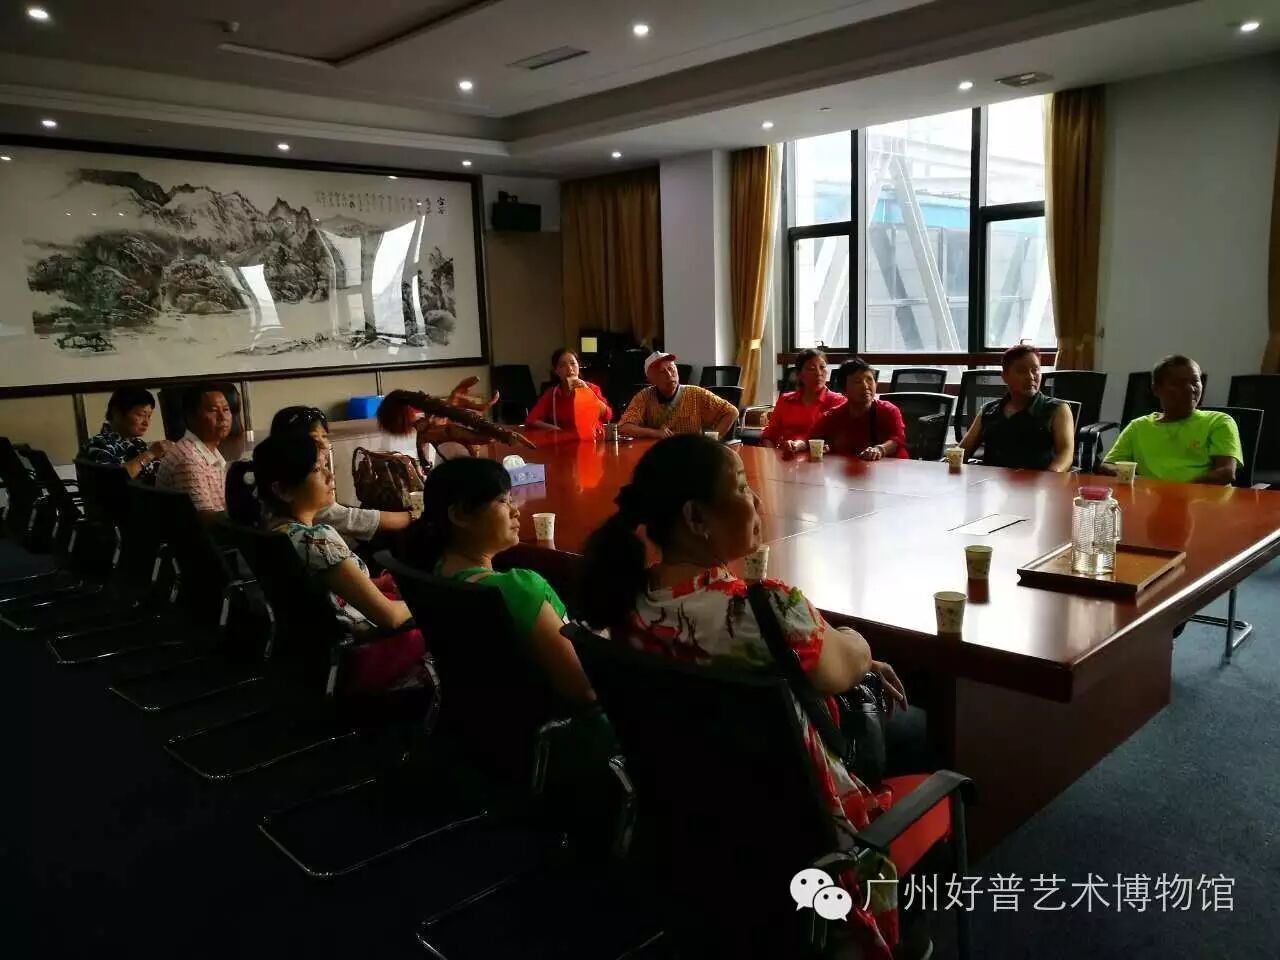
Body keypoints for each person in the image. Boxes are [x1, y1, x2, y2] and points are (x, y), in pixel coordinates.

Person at [579, 434, 910, 958]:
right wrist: (860, 645)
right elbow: (842, 666)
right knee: (912, 728)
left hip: (697, 814)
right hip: (803, 828)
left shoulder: (626, 599)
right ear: (696, 517)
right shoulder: (765, 610)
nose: (756, 499)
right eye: (740, 486)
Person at [226, 433, 426, 694]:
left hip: (313, 658)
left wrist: (376, 583)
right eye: (317, 470)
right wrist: (433, 600)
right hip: (364, 653)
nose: (330, 476)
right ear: (283, 490)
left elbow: (326, 589)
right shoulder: (317, 540)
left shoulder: (275, 533)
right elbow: (390, 618)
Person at [403, 457, 593, 704]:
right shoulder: (520, 589)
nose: (516, 510)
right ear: (459, 515)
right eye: (503, 501)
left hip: (480, 712)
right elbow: (582, 691)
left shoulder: (435, 573)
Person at [270, 405, 411, 542]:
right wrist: (413, 516)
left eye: (324, 436)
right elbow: (347, 518)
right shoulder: (313, 536)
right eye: (313, 439)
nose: (324, 445)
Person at [1099, 355, 1242, 485]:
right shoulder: (1138, 426)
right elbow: (1108, 465)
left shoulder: (1219, 421)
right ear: (1156, 389)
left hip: (1204, 501)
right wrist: (1134, 479)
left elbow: (1225, 472)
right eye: (1179, 383)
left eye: (1195, 381)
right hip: (1151, 499)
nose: (1190, 389)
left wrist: (1178, 491)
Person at [957, 344, 1075, 472]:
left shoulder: (1058, 409)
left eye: (1035, 370)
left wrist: (1049, 477)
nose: (1031, 376)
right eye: (1022, 371)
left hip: (1037, 482)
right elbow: (962, 451)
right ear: (1005, 376)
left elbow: (1065, 456)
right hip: (992, 481)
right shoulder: (989, 410)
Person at [792, 358, 908, 460]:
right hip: (852, 470)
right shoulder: (834, 415)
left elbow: (898, 439)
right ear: (844, 388)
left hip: (893, 468)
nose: (865, 386)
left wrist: (880, 449)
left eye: (869, 379)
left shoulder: (888, 410)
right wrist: (796, 445)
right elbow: (810, 439)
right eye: (857, 381)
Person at [618, 352, 739, 440]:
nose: (669, 375)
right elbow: (624, 427)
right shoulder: (644, 396)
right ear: (650, 380)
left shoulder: (696, 393)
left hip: (690, 453)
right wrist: (655, 433)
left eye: (671, 369)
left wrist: (712, 440)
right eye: (662, 372)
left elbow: (731, 412)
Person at [156, 384, 233, 516]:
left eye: (226, 409)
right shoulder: (189, 459)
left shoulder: (209, 452)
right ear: (191, 416)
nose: (222, 417)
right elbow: (205, 520)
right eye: (213, 410)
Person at [80, 385, 171, 481]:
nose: (146, 422)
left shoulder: (138, 444)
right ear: (117, 413)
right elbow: (112, 480)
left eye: (149, 416)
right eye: (140, 415)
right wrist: (150, 454)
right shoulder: (97, 444)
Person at [759, 347, 846, 447]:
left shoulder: (837, 401)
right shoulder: (786, 400)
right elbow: (770, 435)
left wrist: (803, 445)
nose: (818, 373)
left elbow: (839, 440)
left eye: (822, 367)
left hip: (820, 454)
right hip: (787, 453)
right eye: (811, 369)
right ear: (799, 374)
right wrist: (770, 452)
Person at [525, 348, 613, 435]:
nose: (570, 369)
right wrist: (554, 428)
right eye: (563, 365)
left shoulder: (592, 388)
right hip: (564, 440)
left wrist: (588, 393)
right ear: (556, 371)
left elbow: (608, 415)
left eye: (573, 363)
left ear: (578, 366)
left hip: (592, 438)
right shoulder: (552, 394)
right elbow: (531, 420)